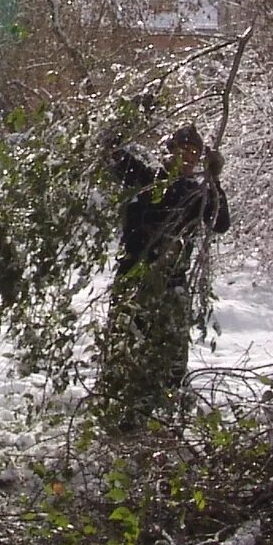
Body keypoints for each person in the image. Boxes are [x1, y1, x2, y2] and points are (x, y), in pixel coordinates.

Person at [96, 124, 232, 425]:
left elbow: (220, 222)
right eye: (181, 151)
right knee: (125, 356)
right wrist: (137, 112)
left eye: (194, 154)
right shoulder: (144, 179)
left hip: (173, 287)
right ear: (168, 152)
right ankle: (119, 417)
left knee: (171, 363)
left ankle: (165, 421)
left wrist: (214, 181)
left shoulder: (195, 194)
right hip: (134, 284)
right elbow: (107, 148)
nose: (187, 158)